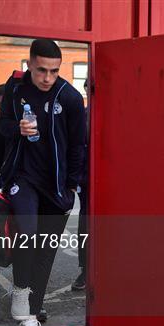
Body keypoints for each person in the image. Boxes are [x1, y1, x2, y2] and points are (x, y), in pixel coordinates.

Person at [0, 39, 86, 326]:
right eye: (42, 70)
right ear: (29, 63)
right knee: (28, 233)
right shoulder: (16, 89)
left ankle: (31, 313)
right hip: (24, 179)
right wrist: (16, 129)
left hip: (57, 187)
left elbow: (78, 146)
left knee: (45, 249)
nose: (47, 78)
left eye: (54, 71)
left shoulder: (69, 98)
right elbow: (1, 125)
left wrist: (72, 186)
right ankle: (21, 291)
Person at [71, 78, 89, 291]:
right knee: (86, 224)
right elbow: (76, 148)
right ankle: (85, 269)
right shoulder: (83, 116)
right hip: (87, 179)